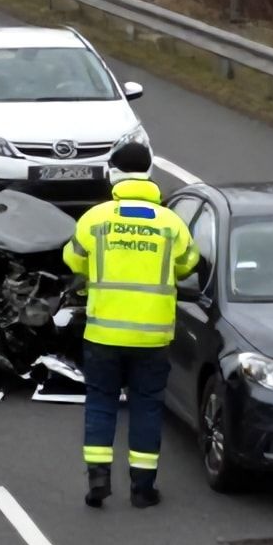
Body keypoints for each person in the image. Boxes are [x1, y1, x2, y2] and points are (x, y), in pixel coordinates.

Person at [63, 142, 199, 509]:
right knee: (146, 407)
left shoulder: (97, 218)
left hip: (103, 333)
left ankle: (98, 479)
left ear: (115, 174)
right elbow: (188, 264)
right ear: (149, 173)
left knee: (102, 403)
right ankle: (142, 489)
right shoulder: (170, 222)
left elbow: (73, 259)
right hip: (152, 337)